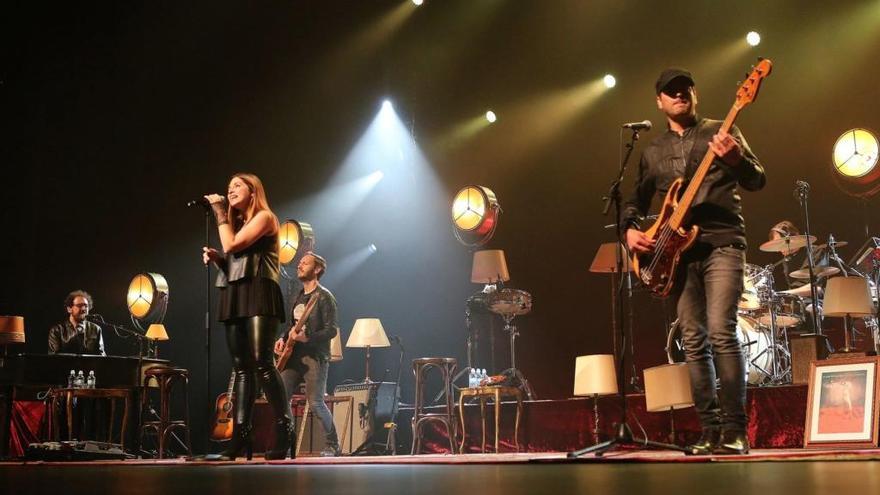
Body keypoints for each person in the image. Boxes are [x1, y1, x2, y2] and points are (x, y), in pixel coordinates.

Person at [623, 68, 765, 455]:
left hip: (722, 243)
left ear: (695, 94)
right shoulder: (652, 152)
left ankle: (737, 431)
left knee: (721, 331)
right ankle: (710, 430)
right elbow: (634, 200)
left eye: (684, 89)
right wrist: (630, 231)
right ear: (659, 101)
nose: (678, 95)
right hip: (676, 255)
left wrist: (736, 160)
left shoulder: (723, 130)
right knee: (693, 341)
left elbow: (757, 180)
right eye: (670, 91)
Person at [202, 173, 293, 461]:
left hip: (259, 290)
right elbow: (232, 255)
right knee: (241, 367)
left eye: (237, 185)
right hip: (235, 293)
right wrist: (219, 260)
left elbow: (232, 245)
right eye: (228, 187)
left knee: (262, 362)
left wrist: (218, 213)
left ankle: (285, 428)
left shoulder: (265, 217)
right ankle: (240, 437)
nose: (230, 190)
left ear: (253, 192)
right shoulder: (237, 225)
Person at [273, 252, 342, 457]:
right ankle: (286, 443)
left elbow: (332, 330)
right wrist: (282, 338)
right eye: (300, 262)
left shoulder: (324, 297)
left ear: (318, 269)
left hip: (315, 357)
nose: (300, 265)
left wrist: (308, 337)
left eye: (305, 263)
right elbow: (291, 325)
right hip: (293, 356)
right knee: (280, 397)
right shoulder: (297, 295)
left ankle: (333, 445)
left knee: (316, 403)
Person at [48, 290, 106, 355]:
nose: (84, 309)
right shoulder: (57, 330)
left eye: (86, 306)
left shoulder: (96, 329)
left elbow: (102, 356)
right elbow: (53, 357)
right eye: (80, 305)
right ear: (69, 309)